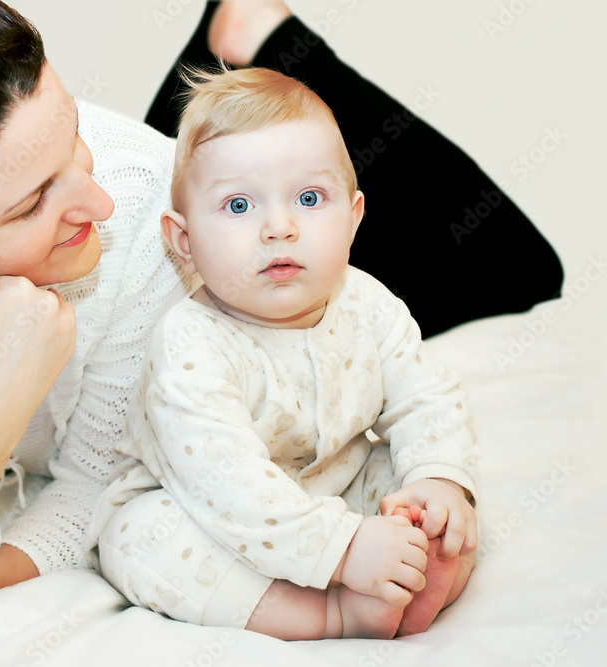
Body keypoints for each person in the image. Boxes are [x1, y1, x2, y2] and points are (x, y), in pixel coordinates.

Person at [0, 0, 549, 619]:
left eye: (70, 132)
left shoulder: (131, 202)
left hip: (208, 260)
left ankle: (255, 37)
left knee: (510, 272)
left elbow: (105, 481)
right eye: (29, 201)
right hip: (163, 235)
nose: (96, 200)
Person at [90, 66, 479, 639]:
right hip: (210, 510)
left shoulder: (369, 304)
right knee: (139, 538)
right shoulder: (190, 342)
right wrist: (345, 549)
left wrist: (437, 485)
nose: (280, 227)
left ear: (353, 217)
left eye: (309, 197)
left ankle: (427, 566)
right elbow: (229, 483)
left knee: (413, 480)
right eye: (240, 206)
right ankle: (330, 613)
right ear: (184, 241)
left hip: (334, 484)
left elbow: (426, 397)